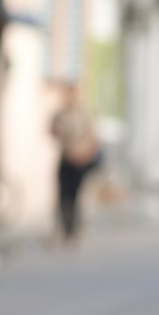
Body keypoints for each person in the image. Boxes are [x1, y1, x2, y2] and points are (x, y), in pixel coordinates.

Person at [50, 83, 101, 242]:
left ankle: (75, 231)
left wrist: (85, 153)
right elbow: (52, 131)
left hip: (80, 161)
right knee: (64, 196)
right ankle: (65, 231)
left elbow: (93, 136)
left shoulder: (83, 114)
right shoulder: (60, 114)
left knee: (76, 197)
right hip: (66, 158)